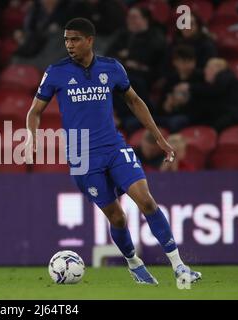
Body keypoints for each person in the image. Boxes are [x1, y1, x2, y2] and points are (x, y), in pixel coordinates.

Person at [26, 18, 201, 285]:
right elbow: (35, 111)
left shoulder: (112, 68)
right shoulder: (56, 72)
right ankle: (134, 264)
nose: (69, 45)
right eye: (66, 40)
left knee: (146, 201)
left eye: (74, 39)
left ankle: (179, 267)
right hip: (83, 158)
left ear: (89, 40)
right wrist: (31, 137)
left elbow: (134, 100)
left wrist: (159, 137)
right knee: (117, 217)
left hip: (114, 147)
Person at [175, 58, 238, 132]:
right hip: (232, 113)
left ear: (217, 68)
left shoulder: (225, 76)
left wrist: (189, 87)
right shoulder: (220, 83)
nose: (205, 71)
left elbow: (215, 90)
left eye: (208, 68)